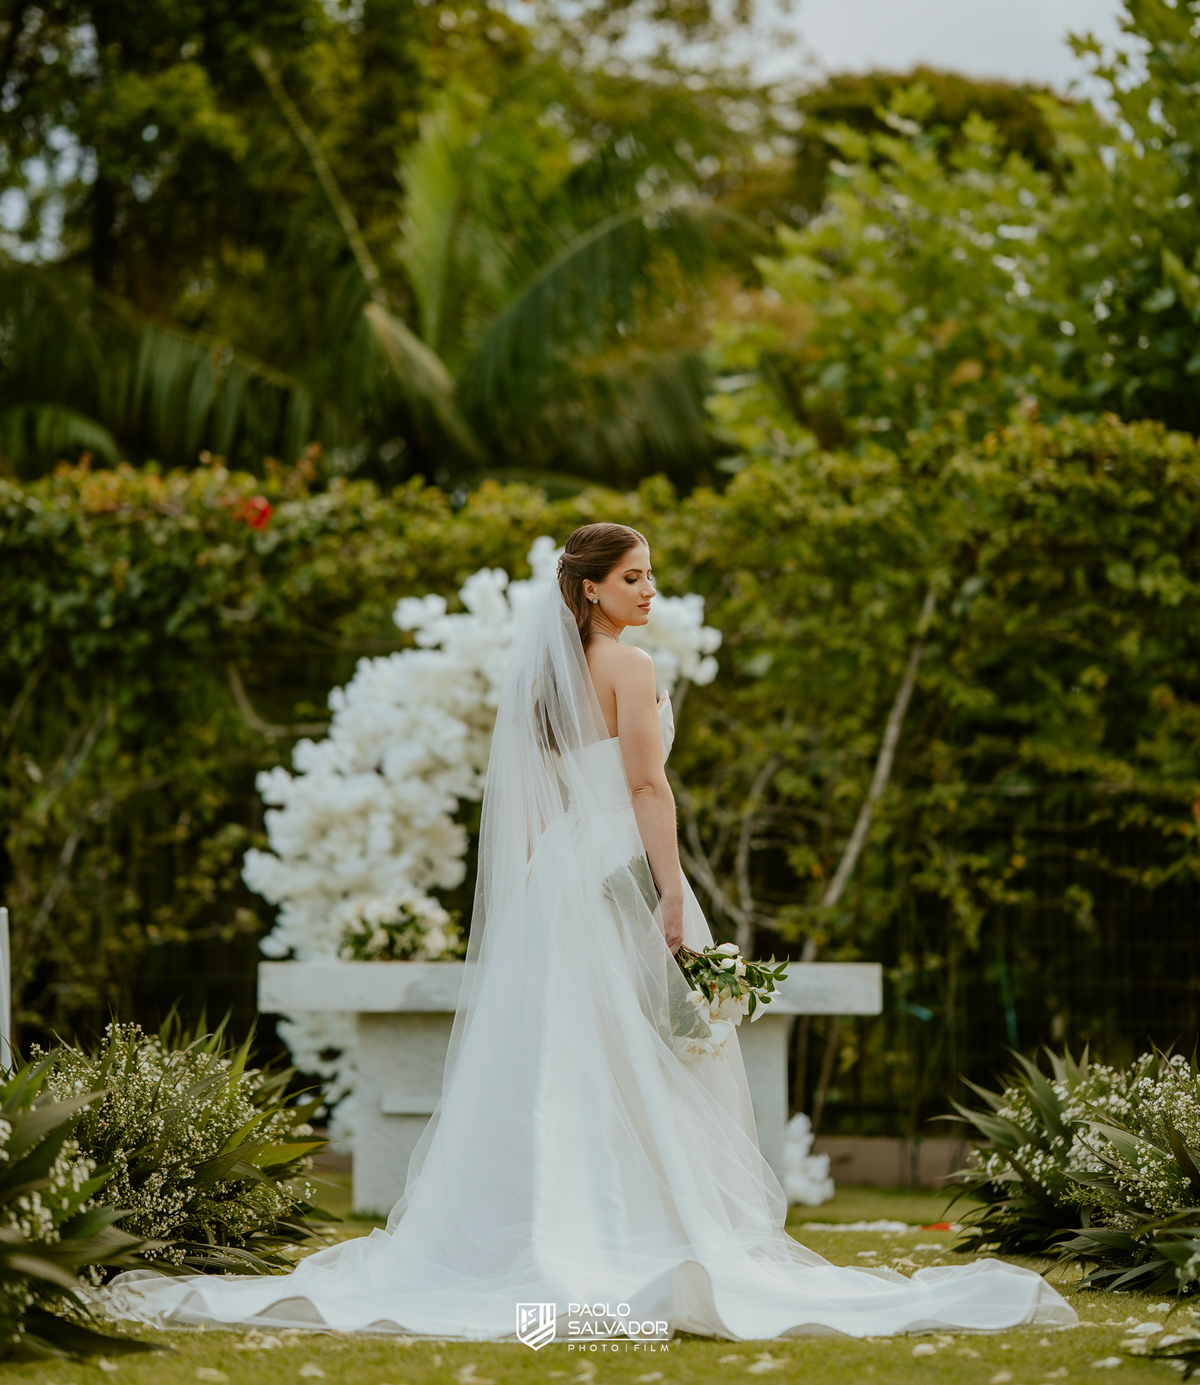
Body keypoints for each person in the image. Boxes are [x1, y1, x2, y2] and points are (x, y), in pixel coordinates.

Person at [106, 522, 1075, 1340]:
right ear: (589, 588)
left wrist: (535, 898)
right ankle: (636, 1232)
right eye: (633, 578)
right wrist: (669, 896)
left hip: (561, 880)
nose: (650, 592)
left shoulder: (551, 676)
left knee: (565, 1057)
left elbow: (532, 805)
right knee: (648, 1058)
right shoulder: (630, 666)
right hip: (620, 874)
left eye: (649, 576)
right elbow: (648, 788)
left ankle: (559, 1227)